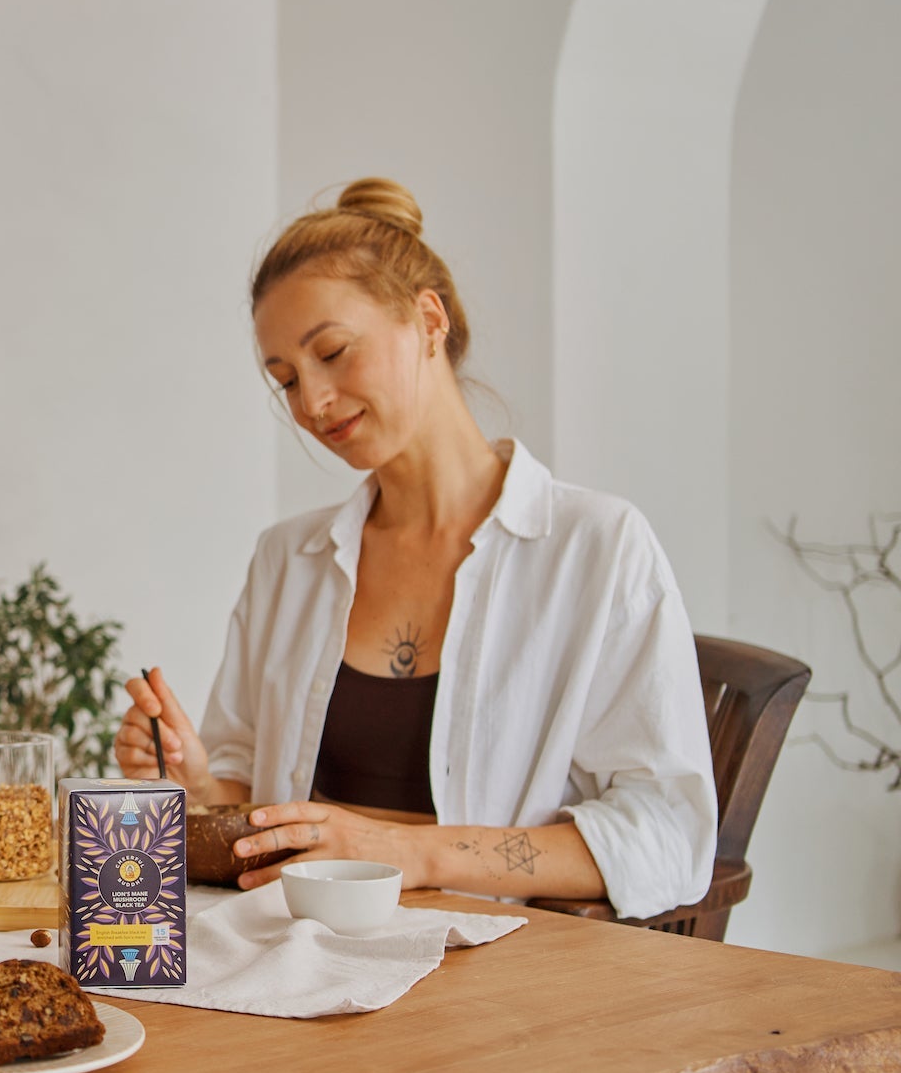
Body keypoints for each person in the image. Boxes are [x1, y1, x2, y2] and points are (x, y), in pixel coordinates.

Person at [115, 179, 715, 919]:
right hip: (292, 953)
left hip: (495, 982)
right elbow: (257, 801)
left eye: (332, 351)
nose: (312, 403)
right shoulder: (286, 559)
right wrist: (202, 783)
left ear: (428, 319)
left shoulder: (596, 549)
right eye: (287, 380)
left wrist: (409, 852)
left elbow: (669, 833)